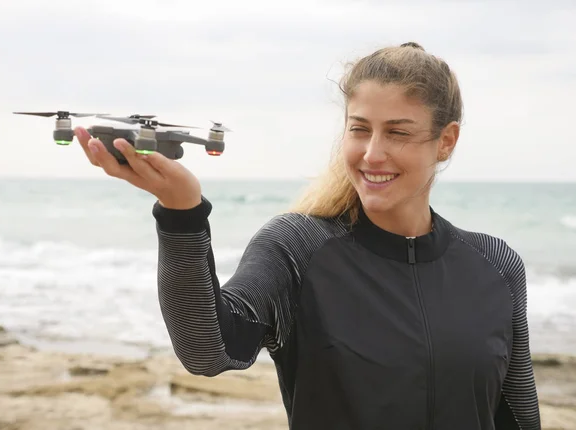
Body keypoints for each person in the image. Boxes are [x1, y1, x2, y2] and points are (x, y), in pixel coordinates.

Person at [75, 41, 541, 430]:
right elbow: (207, 350)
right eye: (360, 130)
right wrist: (182, 212)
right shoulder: (298, 249)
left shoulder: (495, 265)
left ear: (446, 140)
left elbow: (518, 414)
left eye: (398, 133)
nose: (373, 153)